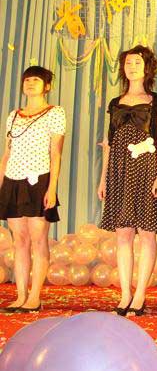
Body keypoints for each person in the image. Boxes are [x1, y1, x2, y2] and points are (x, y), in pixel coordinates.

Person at [98, 45, 157, 316]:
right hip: (119, 170)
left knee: (147, 233)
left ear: (147, 68)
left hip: (146, 169)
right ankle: (125, 293)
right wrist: (103, 179)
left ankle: (140, 295)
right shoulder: (115, 103)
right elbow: (109, 143)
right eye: (128, 63)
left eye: (138, 62)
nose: (132, 67)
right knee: (123, 234)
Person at [0, 66, 66, 312]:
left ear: (47, 86)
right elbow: (7, 153)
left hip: (38, 180)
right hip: (13, 180)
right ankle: (20, 296)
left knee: (38, 240)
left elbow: (56, 153)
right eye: (26, 79)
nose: (30, 83)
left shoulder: (55, 113)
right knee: (19, 240)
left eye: (36, 80)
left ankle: (34, 297)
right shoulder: (14, 115)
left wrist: (52, 188)